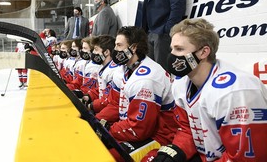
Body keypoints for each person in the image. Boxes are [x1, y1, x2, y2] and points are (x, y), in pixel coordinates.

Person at [155, 18, 267, 161]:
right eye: (172, 48)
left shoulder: (235, 91)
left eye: (179, 49)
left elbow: (244, 157)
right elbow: (188, 129)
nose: (172, 55)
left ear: (203, 52)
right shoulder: (180, 83)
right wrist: (177, 151)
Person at [98, 26, 180, 161]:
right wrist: (99, 123)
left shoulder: (146, 79)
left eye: (119, 45)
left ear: (133, 47)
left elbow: (140, 129)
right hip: (133, 127)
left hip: (160, 135)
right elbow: (115, 103)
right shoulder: (122, 69)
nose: (115, 50)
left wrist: (109, 131)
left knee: (108, 156)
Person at [82, 35, 119, 114]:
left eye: (96, 50)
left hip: (109, 113)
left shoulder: (113, 71)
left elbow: (109, 100)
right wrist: (88, 96)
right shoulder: (105, 68)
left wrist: (91, 106)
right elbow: (101, 89)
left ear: (106, 52)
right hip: (103, 109)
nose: (93, 53)